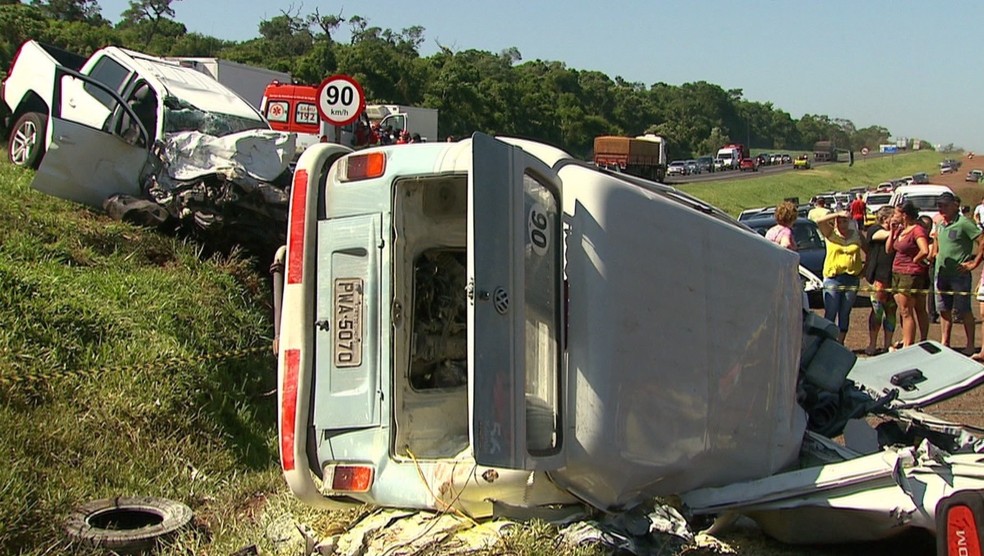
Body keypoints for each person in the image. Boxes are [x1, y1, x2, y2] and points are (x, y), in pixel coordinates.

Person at [930, 191, 984, 353]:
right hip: (942, 273)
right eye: (939, 205)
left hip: (959, 275)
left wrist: (974, 262)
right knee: (943, 309)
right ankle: (945, 342)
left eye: (945, 205)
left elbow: (982, 240)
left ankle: (969, 345)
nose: (941, 209)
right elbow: (937, 242)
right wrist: (935, 254)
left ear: (955, 206)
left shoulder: (964, 223)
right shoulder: (940, 224)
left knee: (963, 310)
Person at [816, 210, 865, 343]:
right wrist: (837, 214)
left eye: (845, 221)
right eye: (839, 221)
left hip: (852, 278)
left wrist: (864, 269)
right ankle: (827, 341)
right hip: (833, 278)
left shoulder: (856, 235)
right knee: (830, 312)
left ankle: (841, 342)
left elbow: (868, 251)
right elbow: (819, 221)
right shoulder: (830, 234)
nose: (842, 224)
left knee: (845, 312)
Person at [887, 202, 931, 348]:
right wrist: (893, 231)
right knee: (905, 309)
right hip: (897, 272)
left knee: (907, 310)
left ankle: (909, 344)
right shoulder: (901, 230)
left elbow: (925, 250)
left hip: (910, 274)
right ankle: (908, 339)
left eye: (896, 213)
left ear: (904, 215)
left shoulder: (917, 230)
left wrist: (915, 260)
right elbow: (889, 250)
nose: (894, 216)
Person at [863, 207, 897, 354]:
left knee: (891, 310)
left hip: (893, 276)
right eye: (894, 217)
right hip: (878, 277)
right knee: (877, 311)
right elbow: (881, 236)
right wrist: (898, 231)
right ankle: (872, 343)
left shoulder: (895, 232)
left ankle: (888, 343)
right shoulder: (874, 230)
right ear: (885, 219)